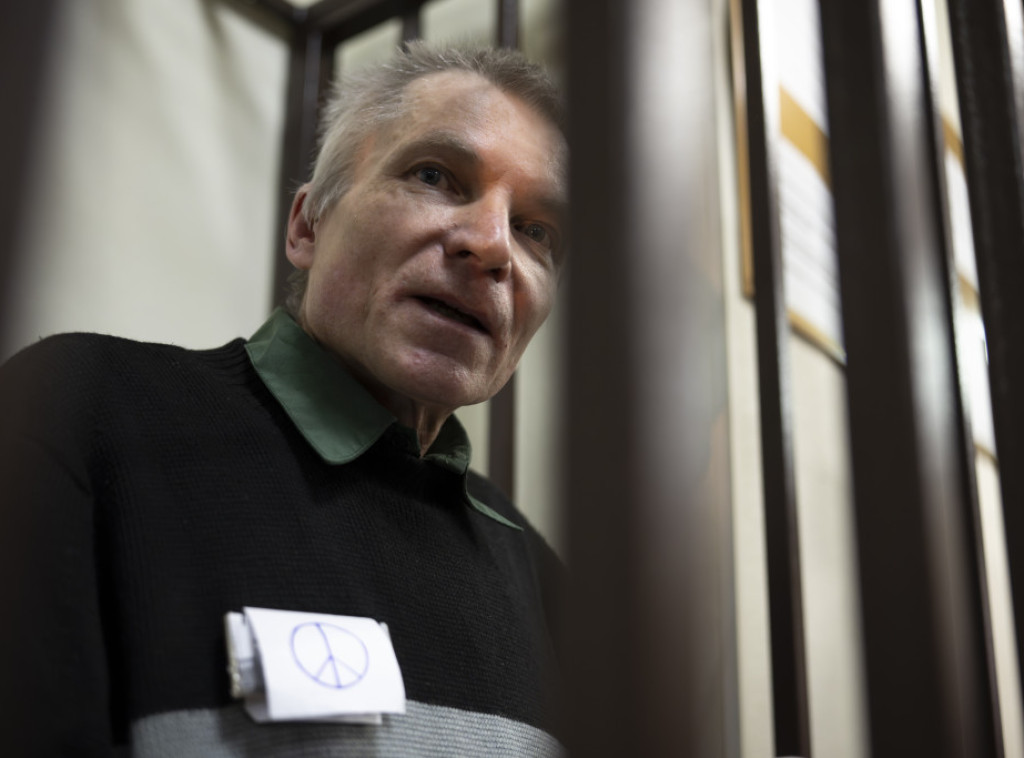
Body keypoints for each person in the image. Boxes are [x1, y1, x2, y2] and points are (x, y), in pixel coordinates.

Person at [0, 43, 567, 757]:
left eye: (535, 230)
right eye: (434, 176)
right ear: (307, 225)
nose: (492, 245)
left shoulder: (540, 573)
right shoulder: (79, 411)